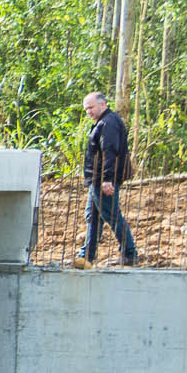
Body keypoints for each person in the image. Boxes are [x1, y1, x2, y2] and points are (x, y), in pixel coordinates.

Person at [74, 90, 138, 267]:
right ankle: (86, 255)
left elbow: (109, 152)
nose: (88, 111)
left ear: (103, 104)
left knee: (112, 216)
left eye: (91, 107)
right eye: (86, 109)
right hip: (97, 179)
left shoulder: (109, 123)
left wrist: (107, 179)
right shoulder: (103, 122)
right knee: (93, 217)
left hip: (102, 180)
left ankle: (129, 253)